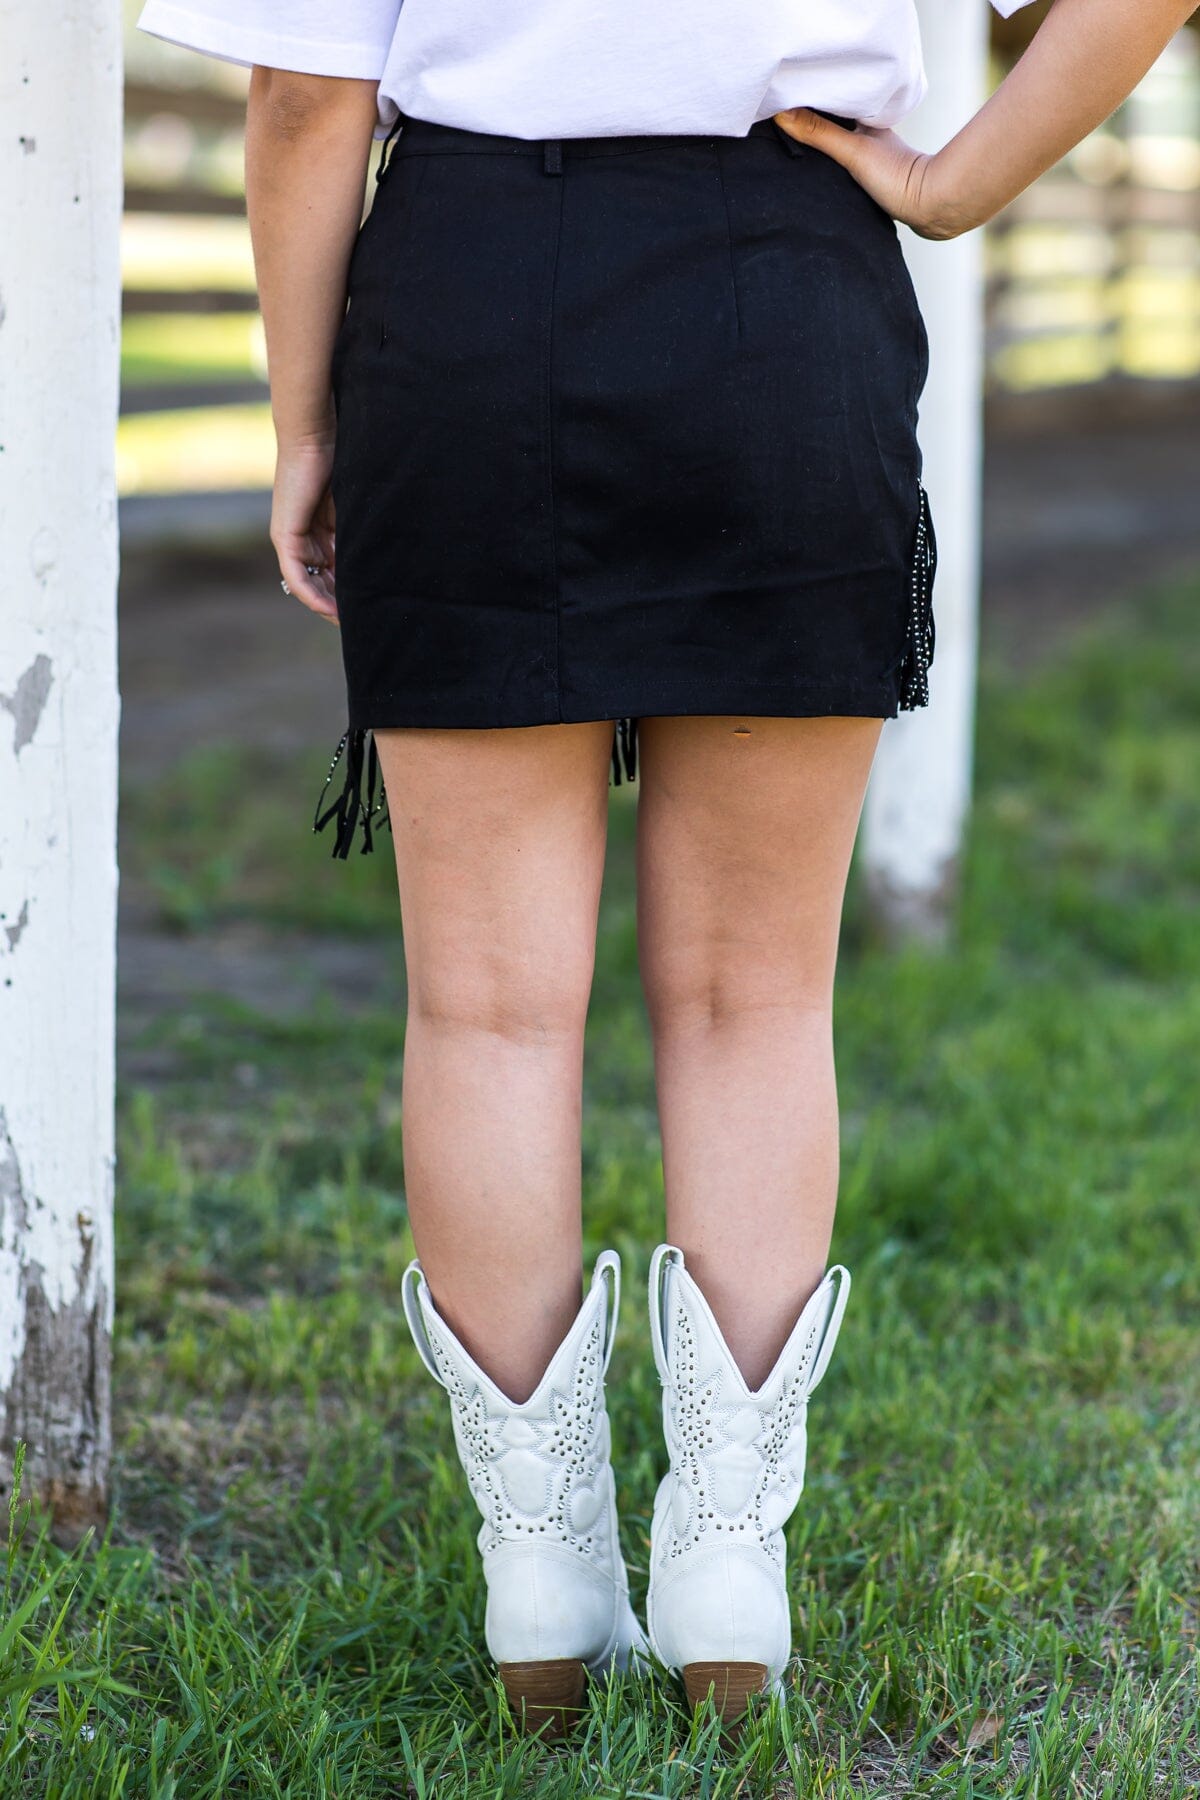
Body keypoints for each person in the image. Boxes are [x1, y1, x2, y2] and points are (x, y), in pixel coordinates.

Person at [138, 0, 1197, 1735]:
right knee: (754, 997)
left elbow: (301, 106)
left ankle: (541, 1574)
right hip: (786, 297)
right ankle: (726, 1564)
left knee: (485, 1010)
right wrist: (950, 185)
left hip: (468, 313)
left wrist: (305, 421)